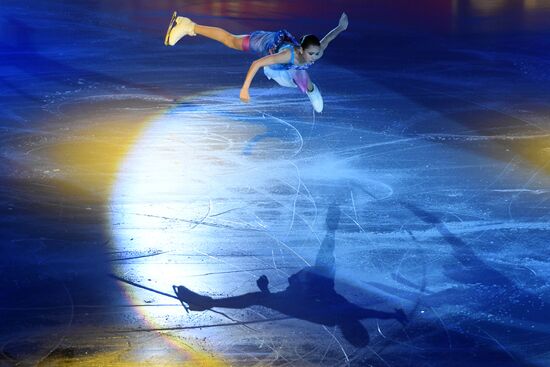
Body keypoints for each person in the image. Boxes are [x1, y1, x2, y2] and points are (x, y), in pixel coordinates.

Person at [164, 11, 349, 113]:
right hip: (265, 43)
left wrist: (341, 27)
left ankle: (311, 90)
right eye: (311, 54)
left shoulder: (317, 50)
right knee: (230, 40)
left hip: (285, 59)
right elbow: (257, 64)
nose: (315, 57)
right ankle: (189, 26)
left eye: (316, 54)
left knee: (302, 76)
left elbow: (329, 37)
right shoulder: (287, 56)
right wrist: (244, 88)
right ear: (301, 49)